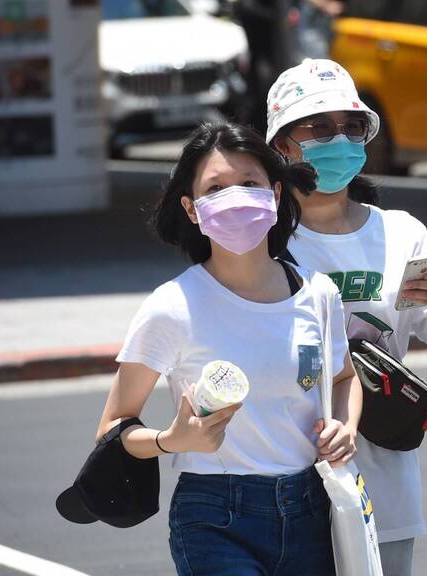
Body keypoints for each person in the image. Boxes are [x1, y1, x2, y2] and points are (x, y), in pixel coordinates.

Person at [97, 121, 362, 576]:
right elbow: (113, 427)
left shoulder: (318, 295)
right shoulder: (171, 306)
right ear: (192, 209)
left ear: (275, 195)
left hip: (310, 508)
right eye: (216, 188)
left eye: (249, 183)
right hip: (214, 514)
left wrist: (345, 426)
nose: (235, 197)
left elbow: (344, 376)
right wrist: (170, 440)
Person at [266, 58, 427, 576]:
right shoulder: (259, 239)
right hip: (279, 479)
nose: (337, 139)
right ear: (281, 146)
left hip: (382, 485)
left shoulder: (402, 233)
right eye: (318, 127)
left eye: (350, 127)